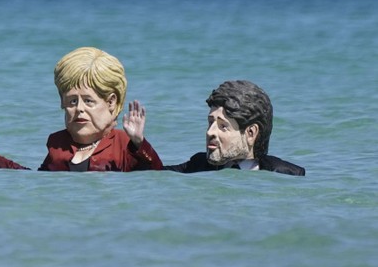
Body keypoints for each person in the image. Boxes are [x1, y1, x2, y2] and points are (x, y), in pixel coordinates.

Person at [38, 46, 162, 172]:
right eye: (73, 101)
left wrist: (140, 144)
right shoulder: (57, 145)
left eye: (88, 101)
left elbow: (156, 175)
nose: (79, 108)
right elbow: (39, 178)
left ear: (111, 102)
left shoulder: (124, 144)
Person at [165, 80, 305, 175]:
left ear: (251, 133)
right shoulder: (197, 166)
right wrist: (142, 146)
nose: (210, 132)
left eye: (223, 126)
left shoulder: (288, 174)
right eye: (210, 123)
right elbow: (155, 174)